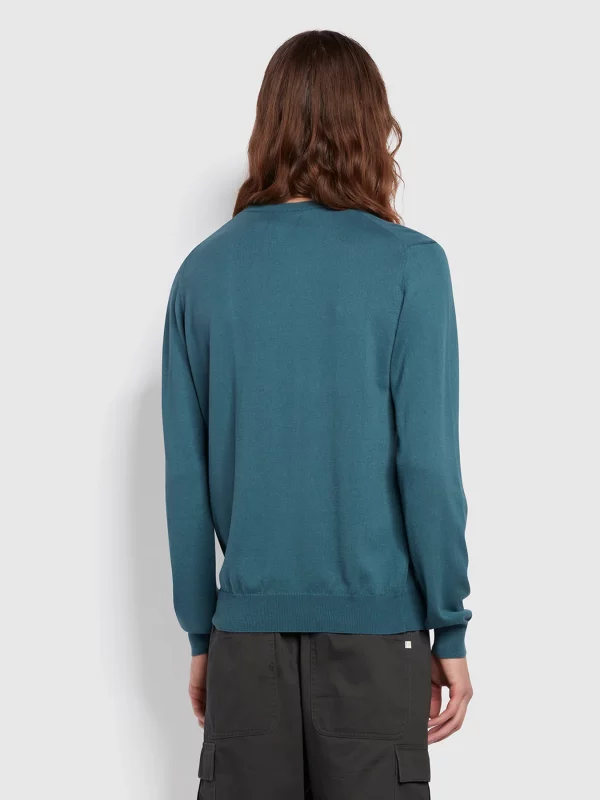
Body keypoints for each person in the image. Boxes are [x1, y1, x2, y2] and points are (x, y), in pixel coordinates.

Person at [162, 29, 473, 799]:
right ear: (371, 124)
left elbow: (186, 481)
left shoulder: (203, 273)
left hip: (244, 645)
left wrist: (203, 634)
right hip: (378, 644)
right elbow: (427, 465)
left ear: (269, 123)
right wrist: (450, 624)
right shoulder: (411, 266)